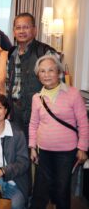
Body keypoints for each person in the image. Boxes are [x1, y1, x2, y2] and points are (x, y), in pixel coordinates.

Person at [29, 55, 89, 209]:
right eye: (42, 71)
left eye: (51, 70)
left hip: (66, 152)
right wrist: (32, 147)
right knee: (40, 190)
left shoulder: (73, 94)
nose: (46, 74)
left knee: (61, 189)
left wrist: (82, 148)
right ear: (38, 75)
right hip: (44, 150)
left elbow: (83, 123)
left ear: (59, 73)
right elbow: (33, 124)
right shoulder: (37, 97)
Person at [7, 12, 57, 138]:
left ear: (34, 30)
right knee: (19, 152)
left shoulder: (45, 52)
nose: (21, 31)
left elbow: (57, 86)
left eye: (26, 27)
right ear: (13, 31)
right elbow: (8, 83)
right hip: (15, 112)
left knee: (36, 152)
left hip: (38, 112)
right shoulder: (12, 53)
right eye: (18, 28)